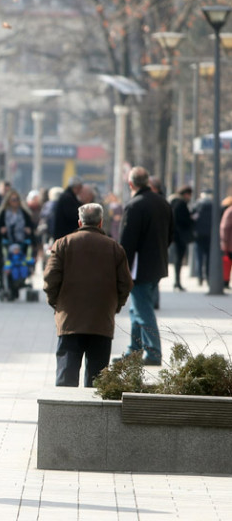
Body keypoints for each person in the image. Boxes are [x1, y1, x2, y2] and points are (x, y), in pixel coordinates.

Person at [43, 203, 133, 387]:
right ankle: (93, 415)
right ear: (100, 222)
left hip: (69, 319)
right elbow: (125, 284)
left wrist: (57, 304)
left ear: (80, 221)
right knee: (97, 381)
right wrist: (115, 306)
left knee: (66, 378)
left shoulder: (62, 244)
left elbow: (50, 279)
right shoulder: (115, 248)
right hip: (101, 319)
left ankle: (64, 415)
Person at [117, 166, 173, 366]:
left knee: (142, 309)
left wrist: (121, 267)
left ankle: (153, 351)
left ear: (131, 184)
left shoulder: (134, 206)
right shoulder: (163, 203)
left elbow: (127, 242)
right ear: (148, 182)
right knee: (136, 309)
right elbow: (170, 235)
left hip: (139, 267)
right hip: (157, 264)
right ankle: (135, 350)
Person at [168, 185, 194, 291]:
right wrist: (191, 219)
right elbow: (184, 220)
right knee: (179, 259)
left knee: (177, 259)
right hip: (181, 235)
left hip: (174, 235)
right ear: (186, 194)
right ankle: (177, 282)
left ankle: (176, 281)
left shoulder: (173, 202)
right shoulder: (181, 204)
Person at [192, 190, 213, 286]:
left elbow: (192, 218)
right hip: (210, 235)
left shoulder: (197, 205)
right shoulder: (213, 206)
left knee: (199, 257)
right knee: (208, 258)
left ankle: (200, 277)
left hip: (198, 235)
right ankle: (208, 276)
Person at [52, 175, 83, 240]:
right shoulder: (67, 198)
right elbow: (71, 215)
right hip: (65, 234)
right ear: (77, 187)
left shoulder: (69, 196)